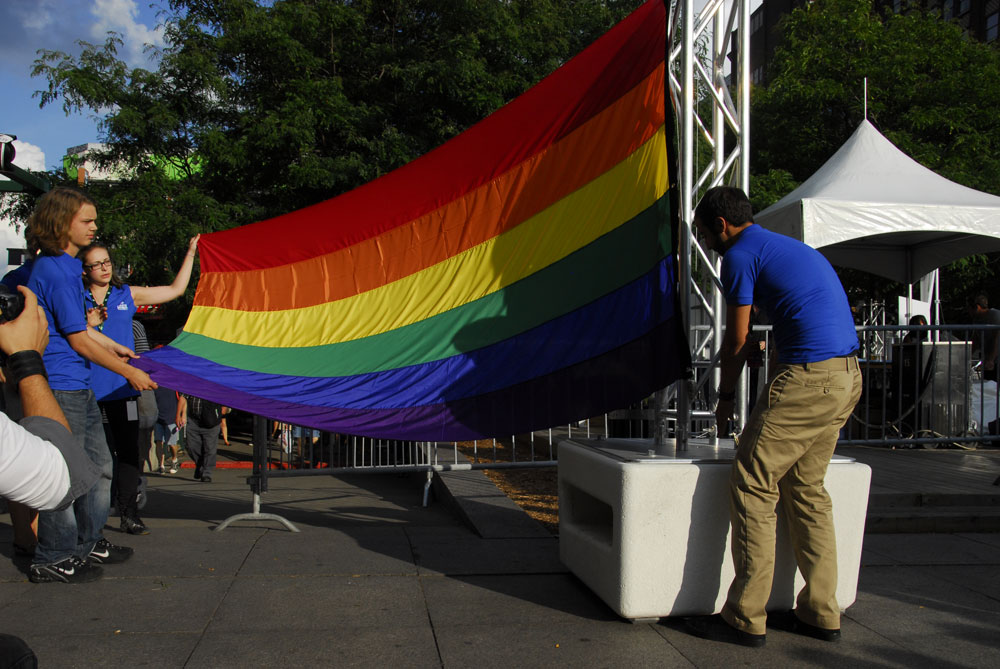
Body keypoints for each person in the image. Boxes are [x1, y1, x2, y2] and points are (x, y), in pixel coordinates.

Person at [685, 186, 862, 647]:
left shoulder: (740, 255)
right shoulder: (783, 245)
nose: (706, 242)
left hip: (810, 379)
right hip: (846, 376)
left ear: (721, 225)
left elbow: (736, 340)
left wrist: (724, 397)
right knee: (806, 489)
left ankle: (744, 616)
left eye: (704, 233)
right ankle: (822, 612)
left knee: (751, 481)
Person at [24, 186, 156, 583]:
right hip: (60, 386)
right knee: (63, 473)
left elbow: (80, 328)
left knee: (99, 468)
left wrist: (118, 347)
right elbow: (78, 338)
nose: (94, 226)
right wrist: (129, 371)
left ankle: (85, 544)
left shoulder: (65, 269)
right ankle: (53, 555)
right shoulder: (58, 271)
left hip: (75, 383)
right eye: (87, 220)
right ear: (62, 223)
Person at [80, 236, 199, 534]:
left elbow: (175, 290)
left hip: (122, 387)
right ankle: (87, 516)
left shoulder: (126, 294)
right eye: (95, 265)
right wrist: (90, 324)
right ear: (84, 271)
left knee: (129, 452)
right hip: (86, 388)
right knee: (93, 455)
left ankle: (128, 512)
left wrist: (190, 252)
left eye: (106, 261)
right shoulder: (74, 297)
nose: (104, 268)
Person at [178, 394, 223, 482]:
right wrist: (179, 415)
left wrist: (222, 411)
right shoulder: (192, 384)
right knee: (191, 446)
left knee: (210, 449)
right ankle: (200, 465)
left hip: (211, 421)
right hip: (194, 420)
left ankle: (207, 473)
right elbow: (183, 398)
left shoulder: (215, 384)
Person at [968, 293, 1000, 382]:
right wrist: (966, 357)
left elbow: (996, 339)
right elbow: (976, 340)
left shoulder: (995, 316)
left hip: (995, 359)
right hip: (989, 360)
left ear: (977, 307)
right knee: (988, 386)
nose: (968, 312)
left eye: (970, 309)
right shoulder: (977, 320)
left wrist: (991, 360)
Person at [153, 384, 182, 473]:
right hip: (158, 419)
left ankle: (174, 460)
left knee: (172, 443)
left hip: (171, 419)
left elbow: (182, 400)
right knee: (159, 442)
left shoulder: (173, 386)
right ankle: (161, 465)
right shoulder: (155, 387)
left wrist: (179, 416)